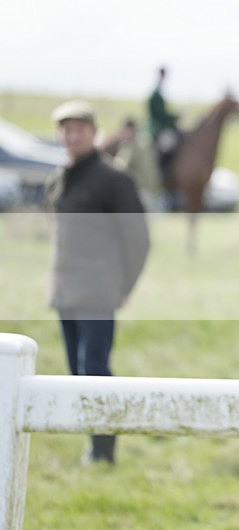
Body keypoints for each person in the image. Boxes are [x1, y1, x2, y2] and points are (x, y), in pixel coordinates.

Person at [45, 100, 150, 464]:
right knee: (77, 370)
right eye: (65, 129)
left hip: (99, 293)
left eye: (79, 129)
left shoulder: (115, 179)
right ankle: (94, 443)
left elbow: (138, 239)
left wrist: (123, 287)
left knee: (94, 368)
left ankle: (103, 450)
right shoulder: (59, 177)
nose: (72, 136)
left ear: (93, 132)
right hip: (65, 293)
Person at [147, 67, 181, 193]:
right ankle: (162, 171)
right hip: (157, 127)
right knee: (168, 144)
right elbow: (160, 115)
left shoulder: (160, 92)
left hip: (162, 125)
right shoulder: (155, 94)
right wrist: (174, 118)